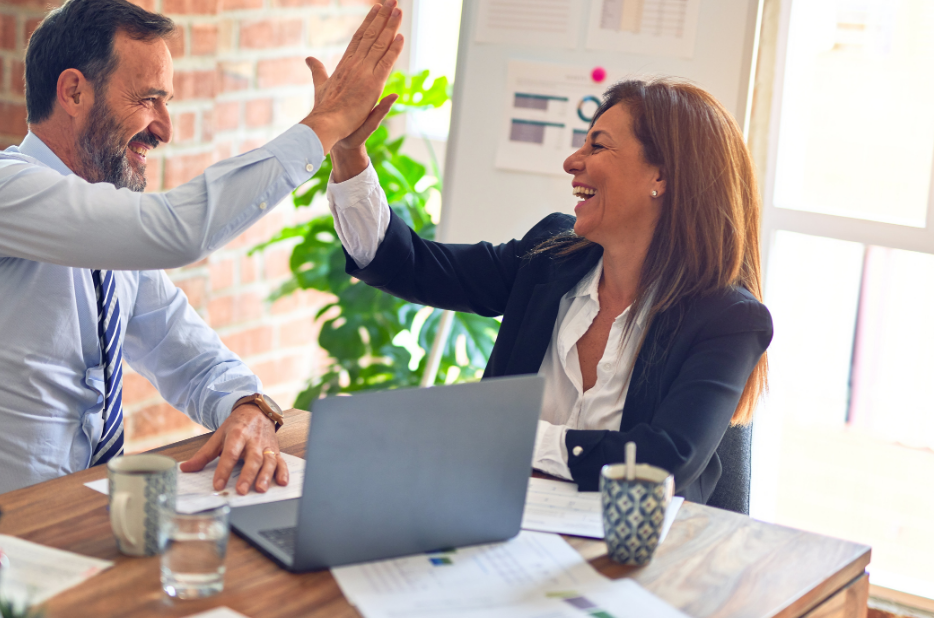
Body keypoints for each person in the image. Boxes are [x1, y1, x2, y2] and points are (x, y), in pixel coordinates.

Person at [0, 0, 404, 516]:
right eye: (149, 99)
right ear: (74, 92)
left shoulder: (110, 239)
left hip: (68, 526)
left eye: (166, 102)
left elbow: (189, 355)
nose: (165, 128)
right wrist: (326, 124)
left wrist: (248, 406)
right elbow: (178, 230)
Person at [325, 78, 772, 502]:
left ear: (661, 177)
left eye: (597, 146)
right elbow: (411, 266)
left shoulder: (728, 319)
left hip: (637, 559)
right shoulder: (550, 257)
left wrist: (510, 435)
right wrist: (349, 154)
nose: (572, 162)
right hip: (499, 524)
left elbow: (661, 463)